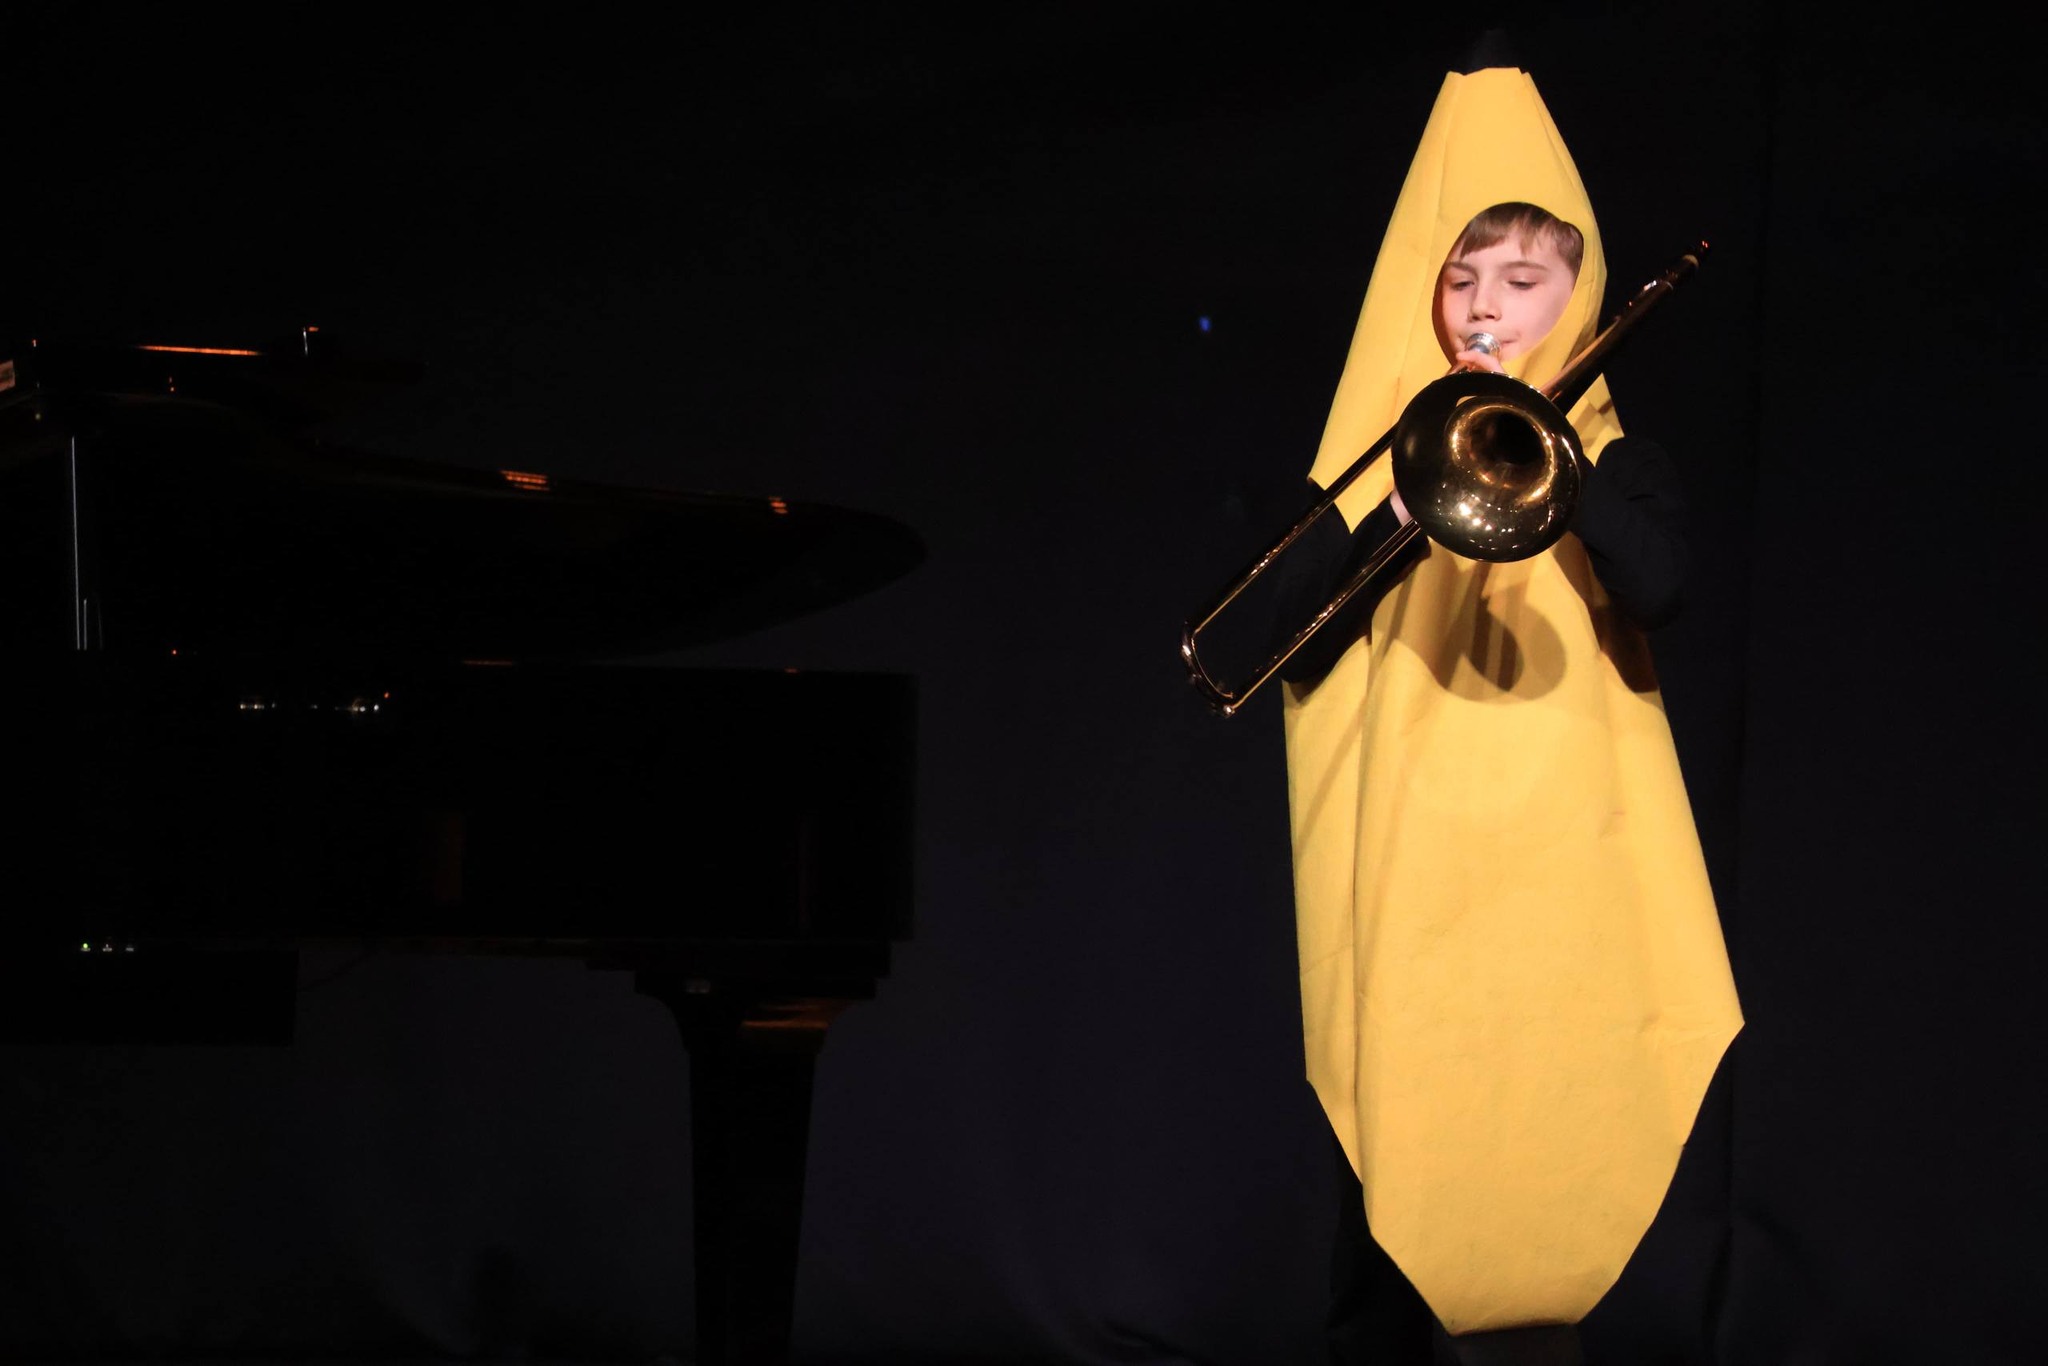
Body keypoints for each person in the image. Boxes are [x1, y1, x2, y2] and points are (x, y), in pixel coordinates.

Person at [1269, 62, 1744, 1366]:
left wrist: (1559, 459)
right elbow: (1286, 645)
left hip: (1558, 881)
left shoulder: (1616, 455)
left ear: (1576, 295)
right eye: (1461, 279)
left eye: (1522, 281)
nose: (1484, 308)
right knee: (1386, 1208)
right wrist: (1392, 507)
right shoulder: (1379, 460)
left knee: (1542, 1159)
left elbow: (1662, 587)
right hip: (1410, 878)